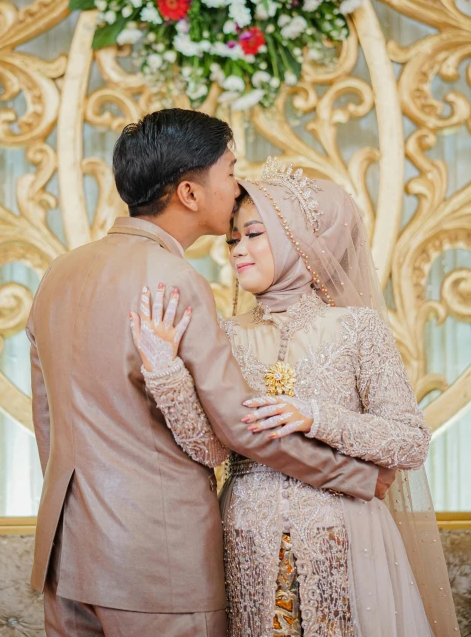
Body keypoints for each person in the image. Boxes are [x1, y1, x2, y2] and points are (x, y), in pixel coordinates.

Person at [27, 109, 394, 637]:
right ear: (190, 193)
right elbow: (239, 425)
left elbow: (47, 421)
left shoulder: (55, 276)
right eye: (229, 170)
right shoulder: (174, 278)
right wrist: (355, 475)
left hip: (68, 556)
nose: (237, 184)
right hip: (158, 562)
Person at [130, 156, 460, 637]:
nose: (238, 250)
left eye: (255, 234)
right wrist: (165, 370)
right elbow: (210, 448)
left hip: (346, 541)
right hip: (246, 542)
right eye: (232, 239)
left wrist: (316, 416)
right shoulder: (226, 334)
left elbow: (410, 442)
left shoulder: (356, 329)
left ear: (302, 242)